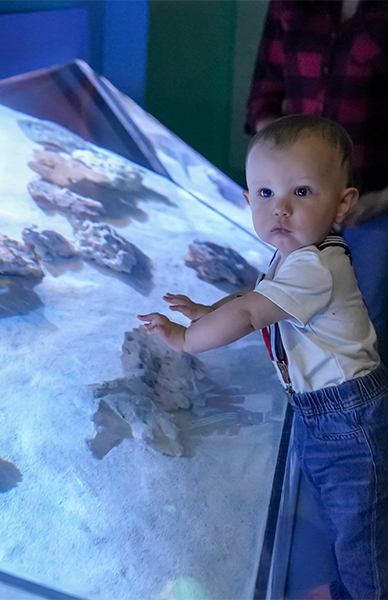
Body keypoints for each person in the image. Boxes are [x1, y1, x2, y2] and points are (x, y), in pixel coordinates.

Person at [138, 115, 388, 600]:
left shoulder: (316, 266)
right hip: (325, 412)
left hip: (348, 418)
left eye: (302, 192)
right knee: (342, 512)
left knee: (360, 527)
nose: (282, 210)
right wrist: (211, 308)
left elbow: (253, 313)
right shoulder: (296, 254)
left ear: (342, 204)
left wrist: (186, 338)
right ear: (248, 199)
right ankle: (351, 588)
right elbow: (257, 294)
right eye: (266, 194)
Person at [245, 0, 388, 362]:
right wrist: (278, 181)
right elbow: (264, 97)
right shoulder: (288, 5)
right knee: (291, 323)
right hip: (297, 199)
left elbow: (247, 314)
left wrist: (189, 337)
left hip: (373, 204)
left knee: (366, 333)